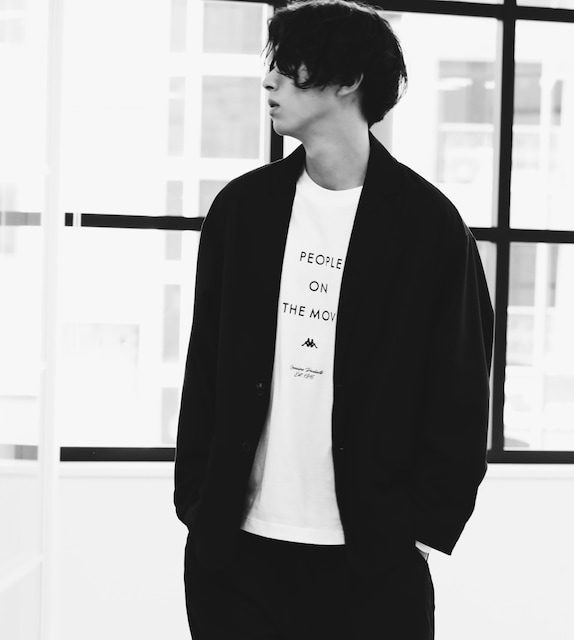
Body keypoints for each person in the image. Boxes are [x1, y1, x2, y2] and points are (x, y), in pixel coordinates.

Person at [174, 1, 493, 638]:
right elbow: (206, 360)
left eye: (289, 66)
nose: (269, 80)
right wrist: (196, 500)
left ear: (348, 80)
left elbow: (460, 388)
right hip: (237, 554)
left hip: (371, 562)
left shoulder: (428, 226)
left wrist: (423, 530)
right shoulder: (242, 210)